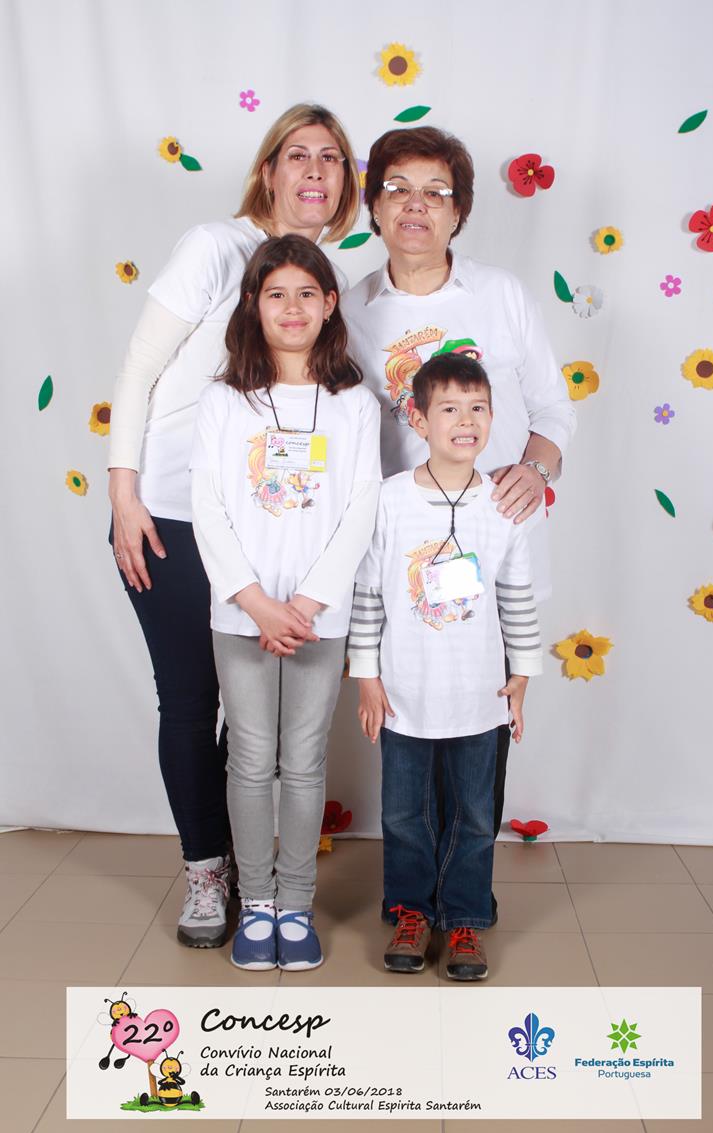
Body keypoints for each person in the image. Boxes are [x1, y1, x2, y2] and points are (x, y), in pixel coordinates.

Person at [107, 104, 360, 949]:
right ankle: (207, 874)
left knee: (257, 724)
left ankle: (258, 875)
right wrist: (125, 495)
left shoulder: (327, 279)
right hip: (174, 518)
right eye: (298, 155)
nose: (315, 171)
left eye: (332, 158)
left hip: (273, 528)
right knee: (192, 702)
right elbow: (138, 370)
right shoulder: (215, 247)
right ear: (268, 170)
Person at [342, 125, 575, 875]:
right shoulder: (351, 309)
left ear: (459, 211)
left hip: (492, 548)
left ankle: (466, 896)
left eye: (435, 193)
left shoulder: (499, 294)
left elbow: (553, 408)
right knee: (408, 734)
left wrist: (536, 470)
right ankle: (414, 895)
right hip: (395, 558)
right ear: (374, 206)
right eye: (397, 189)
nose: (416, 206)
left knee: (479, 735)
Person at [190, 235, 381, 971]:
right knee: (249, 760)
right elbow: (207, 505)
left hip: (317, 618)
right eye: (276, 294)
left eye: (307, 293)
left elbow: (361, 505)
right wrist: (255, 602)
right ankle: (258, 904)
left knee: (302, 762)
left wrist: (305, 602)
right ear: (253, 304)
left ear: (330, 304)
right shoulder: (223, 400)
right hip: (241, 613)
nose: (292, 308)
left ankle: (295, 906)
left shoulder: (353, 403)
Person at [348, 354, 542, 980]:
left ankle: (464, 918)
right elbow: (368, 594)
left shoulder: (503, 506)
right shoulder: (390, 500)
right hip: (404, 694)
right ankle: (411, 911)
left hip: (479, 696)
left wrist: (521, 676)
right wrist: (367, 676)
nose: (465, 421)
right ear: (419, 419)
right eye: (450, 408)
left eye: (478, 408)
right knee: (404, 814)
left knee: (474, 816)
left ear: (493, 418)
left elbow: (516, 595)